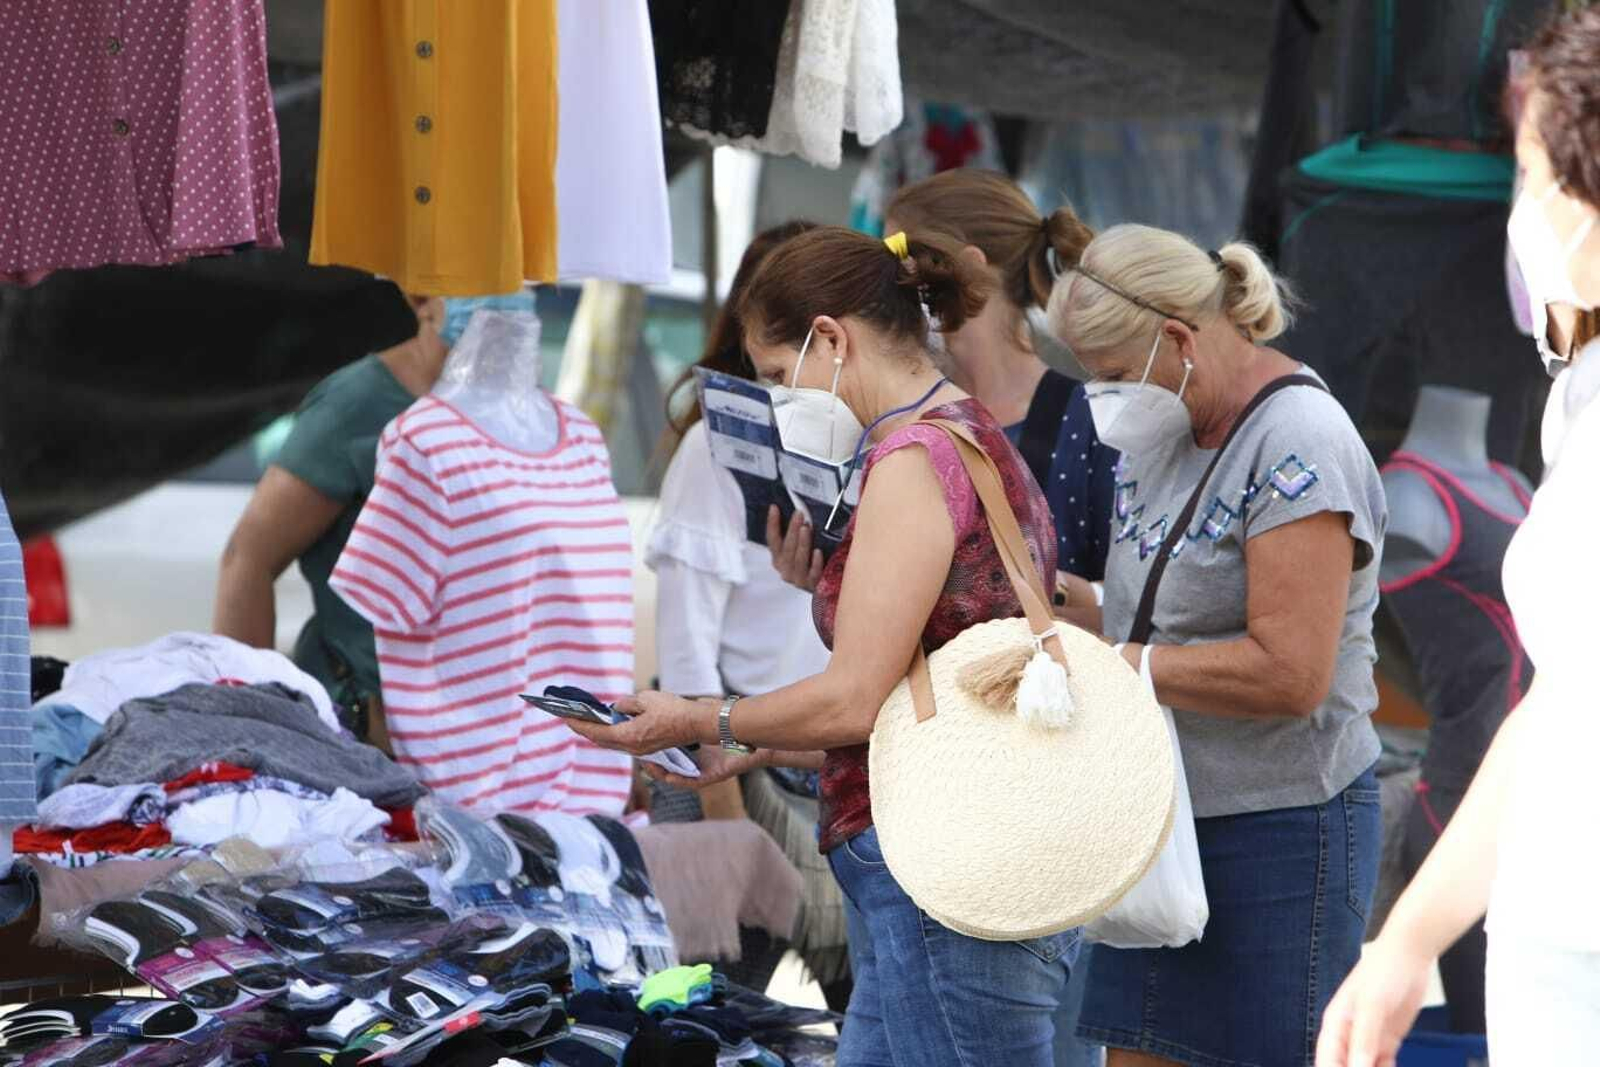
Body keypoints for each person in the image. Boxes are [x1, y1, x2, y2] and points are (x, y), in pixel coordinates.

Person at [564, 225, 1080, 1066]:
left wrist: (702, 718)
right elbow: (931, 660)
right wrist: (756, 736)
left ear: (832, 339)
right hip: (956, 848)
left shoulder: (912, 459)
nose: (776, 398)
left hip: (943, 860)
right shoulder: (966, 430)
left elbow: (854, 693)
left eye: (776, 376)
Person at [1317, 9, 1600, 1064]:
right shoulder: (1578, 400)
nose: (1520, 211)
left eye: (1532, 176)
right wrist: (1404, 942)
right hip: (1543, 947)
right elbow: (1563, 706)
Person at [1045, 224, 1386, 1067]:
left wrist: (1128, 667)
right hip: (1160, 823)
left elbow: (1292, 671)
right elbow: (1154, 610)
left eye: (1113, 372)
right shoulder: (1164, 428)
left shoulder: (1299, 439)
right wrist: (1046, 614)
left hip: (1281, 837)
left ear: (1178, 340)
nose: (1102, 392)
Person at [647, 221, 854, 1006]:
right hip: (719, 766)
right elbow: (687, 652)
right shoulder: (714, 451)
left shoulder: (866, 441)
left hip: (815, 765)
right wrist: (722, 804)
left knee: (848, 1009)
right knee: (714, 1009)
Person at [769, 172, 1118, 632]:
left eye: (900, 265)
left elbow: (1131, 605)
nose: (884, 288)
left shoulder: (1090, 420)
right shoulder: (889, 413)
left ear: (968, 265)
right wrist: (837, 577)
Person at [213, 292, 529, 748]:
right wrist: (255, 732)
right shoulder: (358, 405)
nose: (510, 294)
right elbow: (247, 559)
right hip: (362, 740)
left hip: (483, 747)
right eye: (484, 276)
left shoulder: (517, 411)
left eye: (522, 279)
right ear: (423, 298)